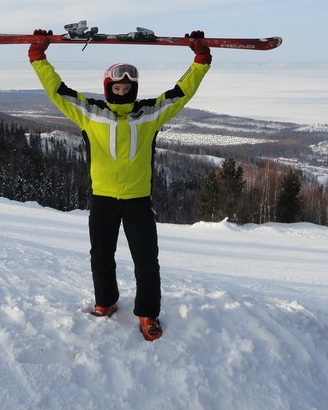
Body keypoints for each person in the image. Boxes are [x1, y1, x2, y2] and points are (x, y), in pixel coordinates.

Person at [28, 28, 212, 341]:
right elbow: (58, 91)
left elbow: (181, 94)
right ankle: (106, 302)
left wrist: (201, 60)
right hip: (102, 199)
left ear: (134, 88)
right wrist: (38, 57)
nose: (123, 90)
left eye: (129, 86)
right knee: (101, 256)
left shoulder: (149, 114)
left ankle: (147, 314)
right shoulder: (90, 113)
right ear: (109, 87)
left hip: (139, 201)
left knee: (146, 261)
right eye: (118, 85)